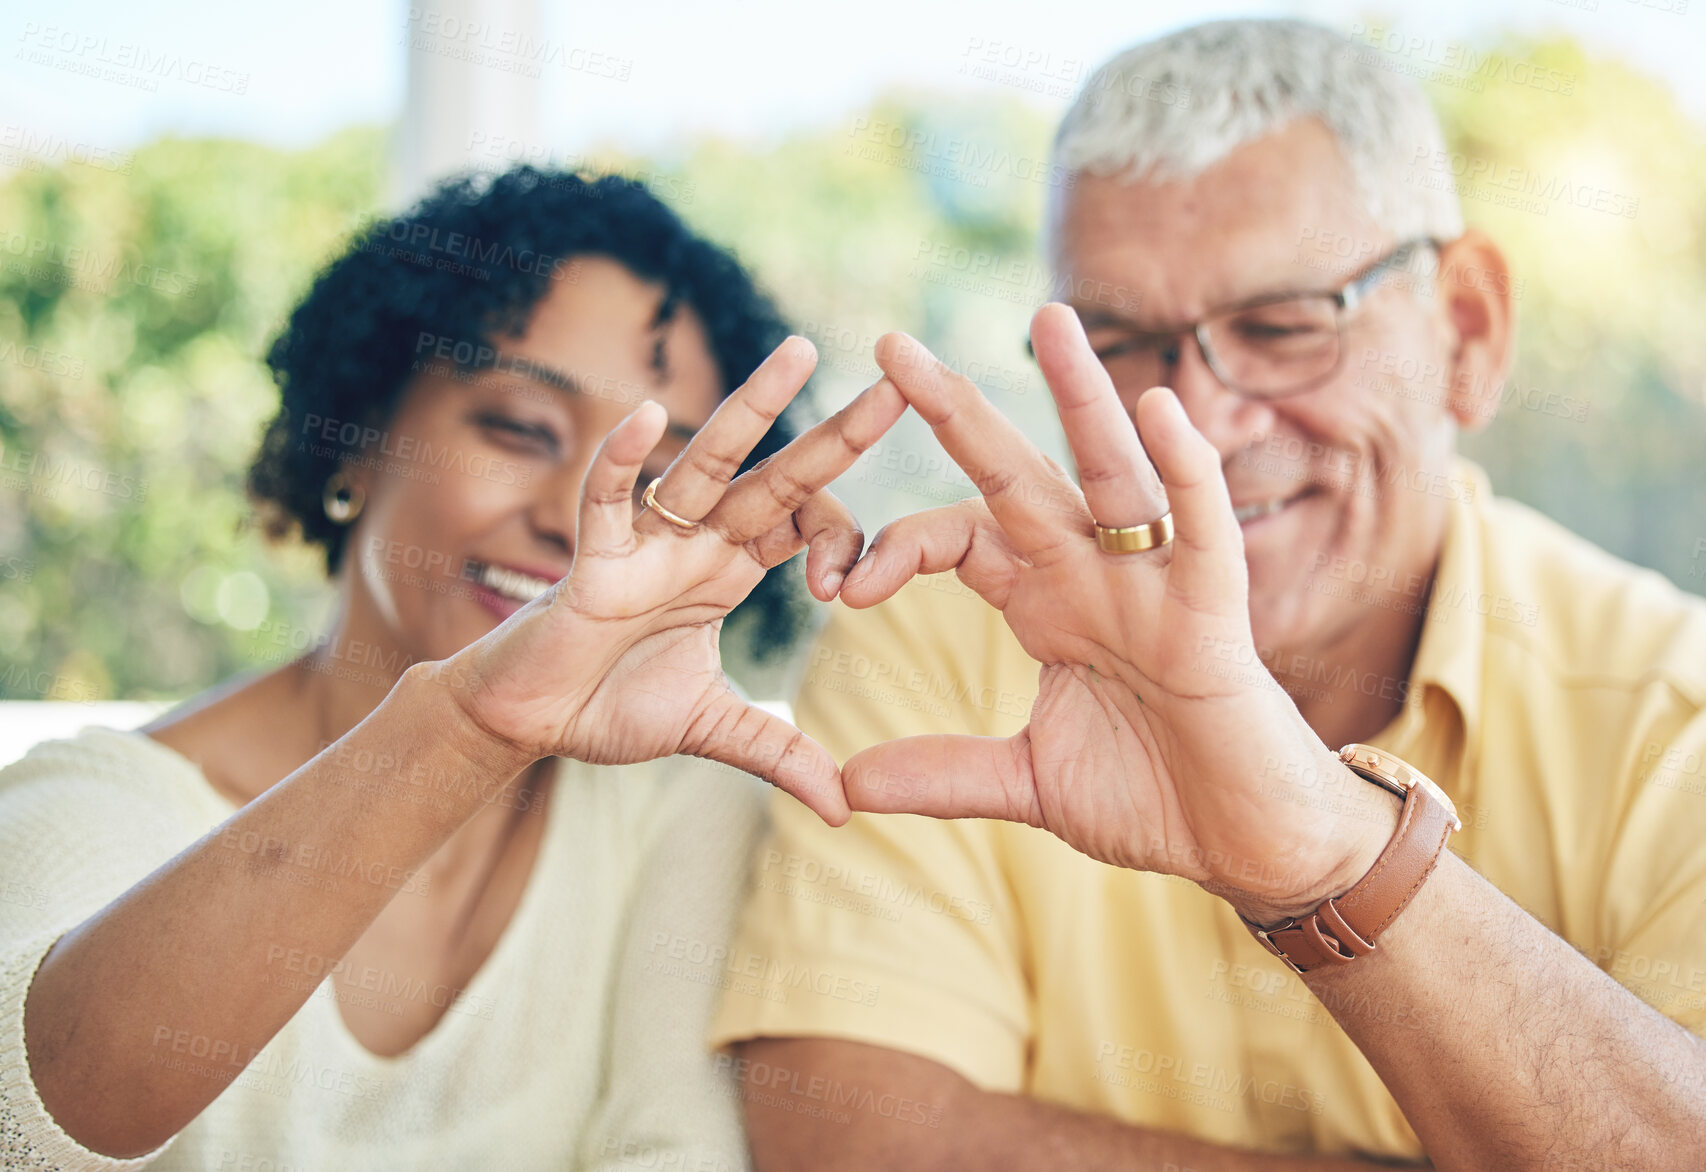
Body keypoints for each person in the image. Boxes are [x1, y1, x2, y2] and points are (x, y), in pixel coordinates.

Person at [713, 20, 1706, 1169]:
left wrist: (1328, 857)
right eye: (1122, 343)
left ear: (1466, 331)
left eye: (1284, 329)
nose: (1199, 423)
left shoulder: (1670, 717)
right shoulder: (934, 636)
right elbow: (850, 1134)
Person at [0, 166, 907, 1170]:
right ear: (354, 436)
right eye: (519, 428)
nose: (580, 513)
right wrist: (473, 724)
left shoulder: (672, 807)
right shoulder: (87, 813)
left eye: (654, 478)